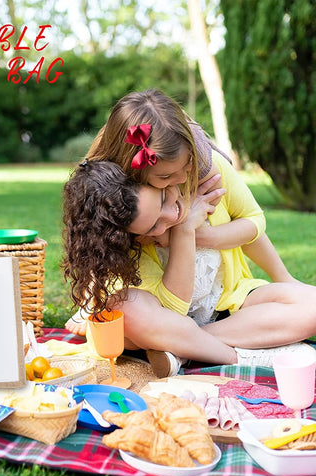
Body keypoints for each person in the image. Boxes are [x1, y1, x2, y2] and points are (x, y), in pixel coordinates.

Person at [65, 88, 297, 338]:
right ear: (132, 172)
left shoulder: (208, 173)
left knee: (308, 307)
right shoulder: (120, 200)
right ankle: (191, 341)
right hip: (160, 307)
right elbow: (97, 244)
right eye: (164, 178)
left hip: (223, 297)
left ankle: (194, 343)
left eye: (188, 165)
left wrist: (192, 235)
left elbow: (253, 221)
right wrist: (91, 296)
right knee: (126, 319)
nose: (182, 178)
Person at [62, 159, 316, 376]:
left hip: (227, 305)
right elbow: (174, 308)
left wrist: (285, 279)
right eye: (152, 227)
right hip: (163, 321)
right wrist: (184, 231)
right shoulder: (128, 234)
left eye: (163, 199)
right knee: (125, 309)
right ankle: (237, 357)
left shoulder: (202, 182)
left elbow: (250, 227)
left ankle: (182, 351)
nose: (170, 216)